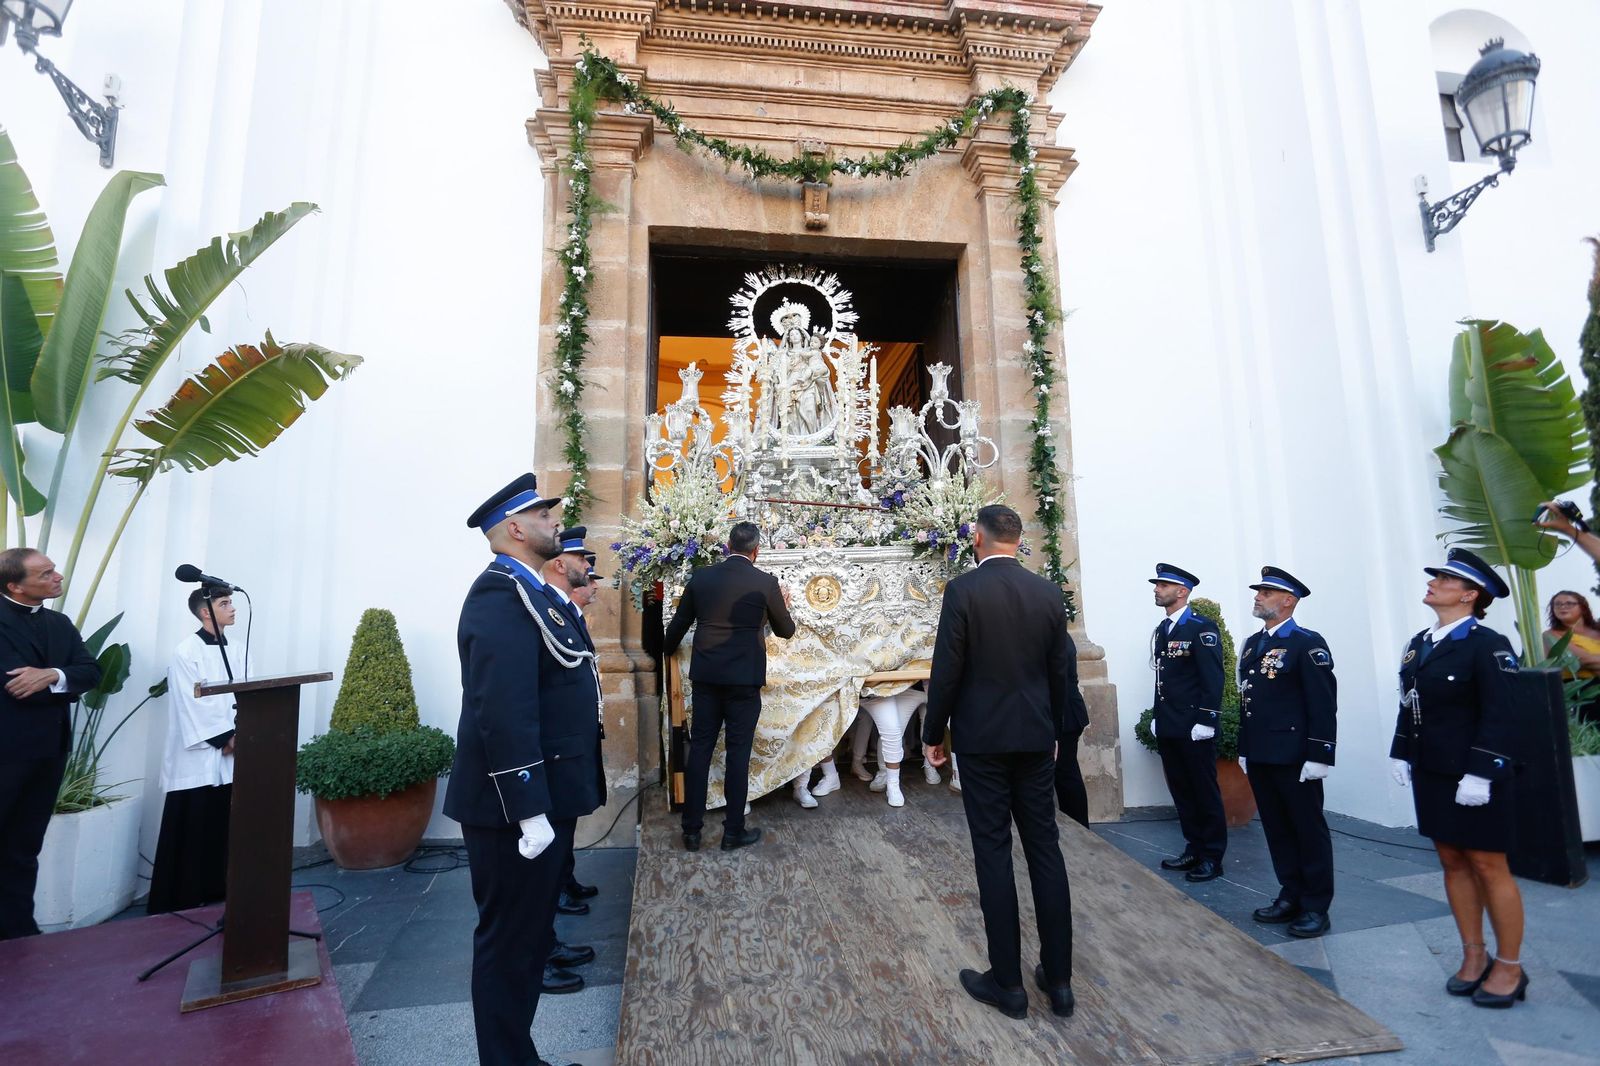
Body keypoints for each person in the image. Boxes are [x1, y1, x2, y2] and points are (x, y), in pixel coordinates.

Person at [445, 474, 604, 1066]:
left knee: (529, 941)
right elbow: (503, 708)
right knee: (510, 945)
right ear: (514, 528)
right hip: (511, 809)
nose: (554, 525)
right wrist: (528, 805)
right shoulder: (499, 594)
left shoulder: (530, 591)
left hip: (538, 800)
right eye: (543, 517)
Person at [921, 504, 1079, 1020]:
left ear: (978, 539)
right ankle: (1059, 982)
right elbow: (1062, 672)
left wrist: (932, 734)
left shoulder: (964, 591)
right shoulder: (1047, 592)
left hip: (984, 742)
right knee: (1045, 853)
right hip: (1035, 740)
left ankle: (1007, 984)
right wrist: (1056, 733)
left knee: (993, 853)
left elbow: (947, 670)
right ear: (1017, 539)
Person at [1390, 547, 1528, 1009]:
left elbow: (1503, 713)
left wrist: (1481, 772)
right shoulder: (1420, 642)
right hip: (1433, 772)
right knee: (1451, 861)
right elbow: (1409, 702)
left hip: (1477, 777)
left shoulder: (1487, 644)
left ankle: (1510, 965)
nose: (1433, 583)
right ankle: (1474, 953)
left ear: (1470, 595)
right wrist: (1401, 751)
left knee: (1490, 865)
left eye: (1446, 579)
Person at [663, 520, 796, 852]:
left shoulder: (703, 577)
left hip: (707, 676)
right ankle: (732, 831)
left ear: (727, 546)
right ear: (756, 550)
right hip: (744, 680)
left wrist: (663, 651)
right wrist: (778, 609)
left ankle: (691, 831)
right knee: (738, 754)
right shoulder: (765, 582)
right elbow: (786, 631)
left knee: (701, 750)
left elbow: (680, 623)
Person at [0, 549, 100, 940]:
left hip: (50, 750)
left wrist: (52, 675)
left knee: (24, 847)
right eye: (45, 574)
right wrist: (59, 682)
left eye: (54, 569)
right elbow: (13, 683)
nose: (57, 577)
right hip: (6, 751)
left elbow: (90, 671)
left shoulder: (59, 622)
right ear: (15, 586)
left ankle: (19, 932)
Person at [1237, 567, 1338, 938]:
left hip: (1295, 755)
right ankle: (1290, 893)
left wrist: (1320, 754)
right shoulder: (1252, 644)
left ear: (1288, 600)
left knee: (1307, 829)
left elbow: (1323, 703)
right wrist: (1245, 749)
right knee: (1277, 829)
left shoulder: (1306, 643)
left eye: (1266, 592)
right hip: (1262, 753)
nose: (1258, 596)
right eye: (1259, 591)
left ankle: (1315, 905)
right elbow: (1249, 699)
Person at [534, 527, 604, 994]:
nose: (591, 576)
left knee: (557, 851)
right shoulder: (533, 605)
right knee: (535, 878)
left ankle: (548, 944)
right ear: (561, 564)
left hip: (569, 749)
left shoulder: (560, 610)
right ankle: (538, 956)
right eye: (583, 562)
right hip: (550, 756)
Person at [147, 585, 239, 914]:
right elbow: (191, 701)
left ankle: (219, 890)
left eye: (231, 602)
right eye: (224, 603)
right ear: (205, 612)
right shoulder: (186, 651)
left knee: (222, 825)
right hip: (200, 753)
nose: (232, 608)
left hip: (233, 748)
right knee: (192, 823)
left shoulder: (239, 649)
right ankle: (182, 899)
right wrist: (224, 738)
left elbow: (249, 691)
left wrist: (244, 732)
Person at [1148, 564, 1227, 882]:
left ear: (1182, 591)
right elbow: (1162, 679)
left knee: (1203, 791)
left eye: (1162, 585)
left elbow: (1213, 677)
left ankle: (1212, 856)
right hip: (1170, 724)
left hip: (1195, 727)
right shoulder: (1164, 629)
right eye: (1157, 585)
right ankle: (1194, 847)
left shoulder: (1200, 627)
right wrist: (1156, 714)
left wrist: (1207, 719)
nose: (1156, 589)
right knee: (1182, 790)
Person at [1544, 591, 1600, 724]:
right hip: (1582, 693)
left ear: (1583, 607)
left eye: (1569, 603)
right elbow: (1580, 659)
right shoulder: (1550, 635)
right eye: (1557, 604)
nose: (1563, 607)